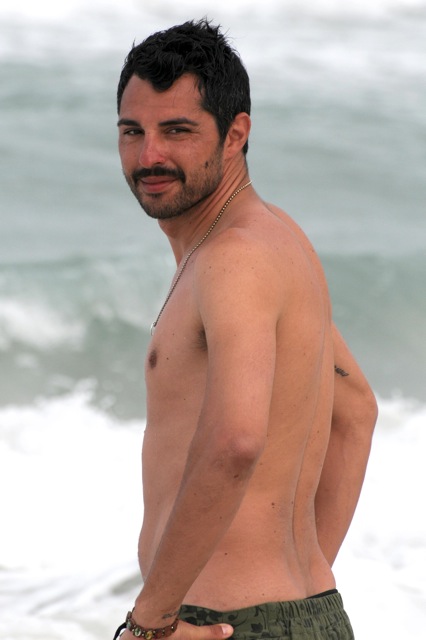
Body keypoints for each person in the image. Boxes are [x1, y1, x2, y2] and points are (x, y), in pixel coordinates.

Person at [113, 19, 377, 640]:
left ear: (236, 134)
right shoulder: (277, 241)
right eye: (132, 131)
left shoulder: (233, 260)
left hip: (221, 624)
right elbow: (355, 411)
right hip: (296, 617)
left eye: (177, 131)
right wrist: (296, 594)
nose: (149, 156)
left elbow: (235, 440)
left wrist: (150, 623)